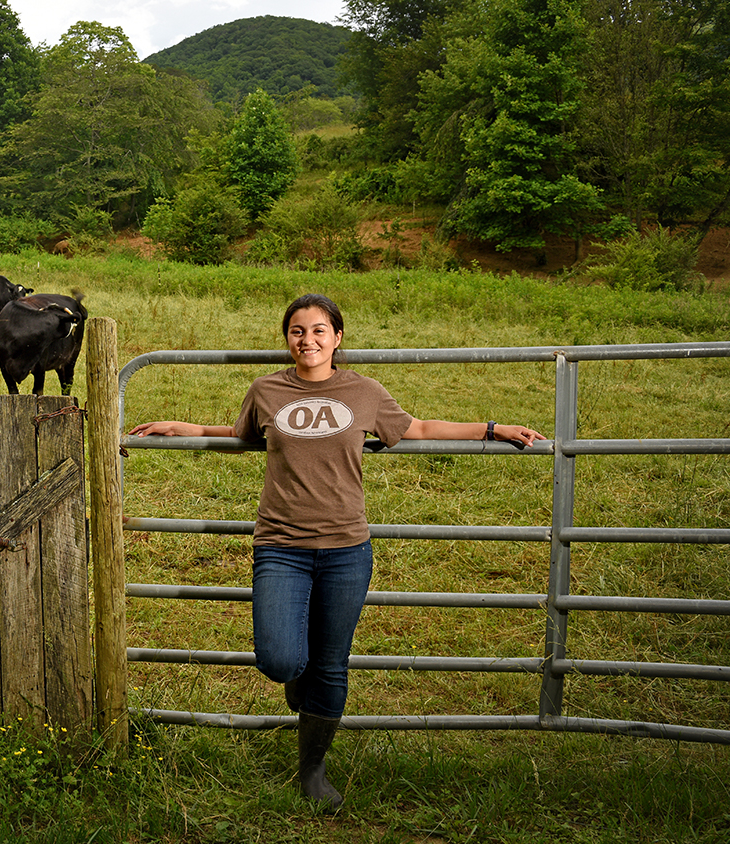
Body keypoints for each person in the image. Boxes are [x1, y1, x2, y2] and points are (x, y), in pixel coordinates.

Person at [128, 293, 545, 812]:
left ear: (338, 338)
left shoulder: (363, 391)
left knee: (331, 664)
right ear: (287, 340)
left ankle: (313, 769)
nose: (308, 340)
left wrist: (490, 428)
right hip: (281, 545)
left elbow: (415, 429)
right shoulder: (265, 390)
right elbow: (240, 436)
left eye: (319, 331)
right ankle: (297, 684)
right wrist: (184, 427)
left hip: (348, 548)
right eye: (298, 331)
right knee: (282, 660)